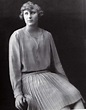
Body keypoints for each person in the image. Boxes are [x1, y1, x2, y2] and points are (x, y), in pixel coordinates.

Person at [9, 1, 85, 110]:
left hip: (49, 76)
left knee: (77, 100)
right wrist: (18, 94)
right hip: (30, 80)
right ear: (23, 16)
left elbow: (57, 64)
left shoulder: (47, 35)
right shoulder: (17, 36)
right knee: (65, 108)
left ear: (39, 14)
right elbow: (14, 69)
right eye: (26, 13)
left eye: (33, 12)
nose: (29, 16)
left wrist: (66, 85)